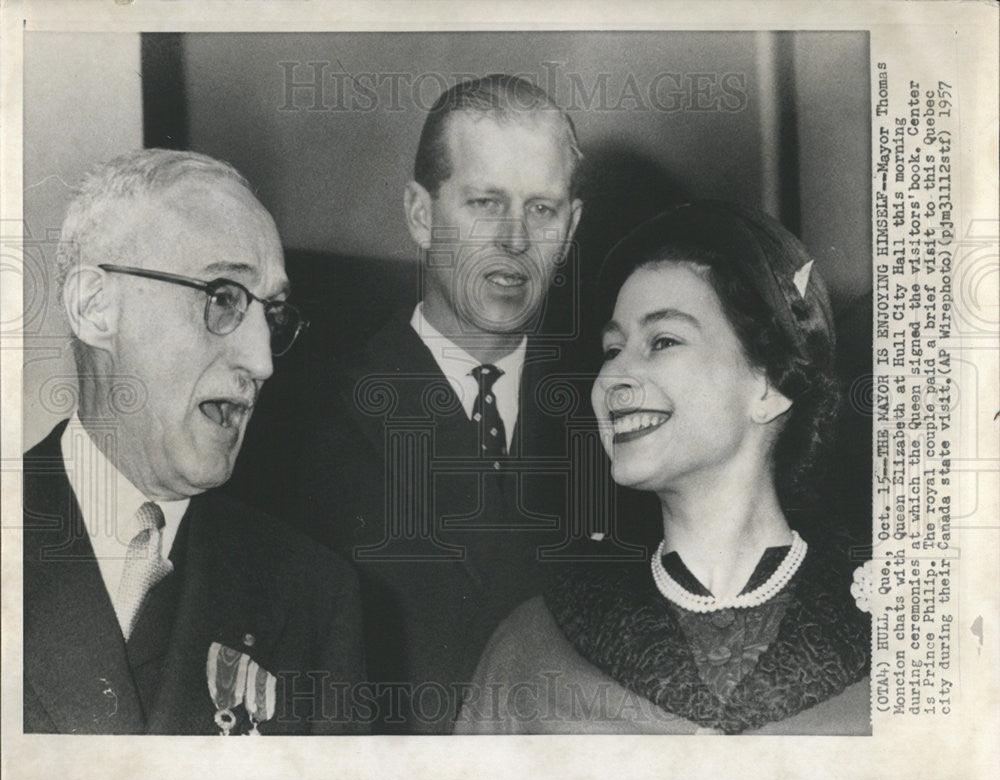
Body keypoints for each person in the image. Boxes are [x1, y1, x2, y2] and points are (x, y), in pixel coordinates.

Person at [456, 201, 871, 734]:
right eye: (611, 349)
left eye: (663, 341)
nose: (615, 378)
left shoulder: (907, 638)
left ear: (769, 387)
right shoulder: (534, 651)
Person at [23, 149, 366, 735]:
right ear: (95, 307)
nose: (261, 363)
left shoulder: (313, 595)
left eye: (273, 314)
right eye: (223, 296)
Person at [295, 74, 584, 732]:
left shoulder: (614, 422)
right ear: (421, 215)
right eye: (485, 203)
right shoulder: (305, 421)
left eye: (542, 209)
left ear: (570, 227)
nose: (515, 239)